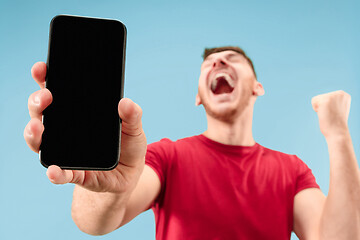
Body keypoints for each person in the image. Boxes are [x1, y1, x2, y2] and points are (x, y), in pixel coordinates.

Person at [24, 46, 360, 239]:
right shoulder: (169, 156)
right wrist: (102, 182)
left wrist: (338, 133)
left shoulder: (291, 170)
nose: (218, 62)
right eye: (209, 63)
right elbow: (94, 222)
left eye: (232, 58)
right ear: (198, 97)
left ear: (257, 86)